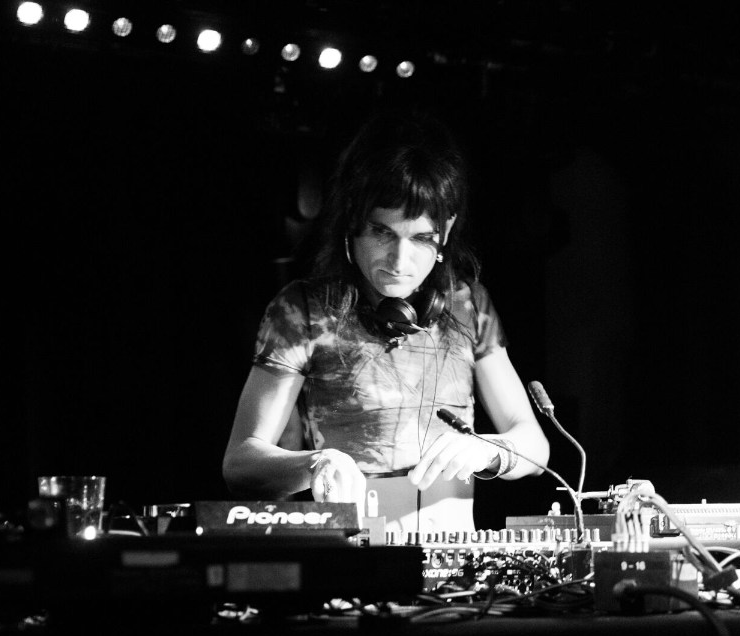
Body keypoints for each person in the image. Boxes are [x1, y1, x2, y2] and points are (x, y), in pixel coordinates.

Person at [223, 109, 549, 533]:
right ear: (352, 223)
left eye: (421, 238)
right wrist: (315, 463)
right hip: (351, 550)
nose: (399, 260)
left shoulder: (468, 305)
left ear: (446, 232)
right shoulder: (303, 310)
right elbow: (240, 463)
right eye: (382, 233)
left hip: (452, 557)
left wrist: (491, 451)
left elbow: (535, 447)